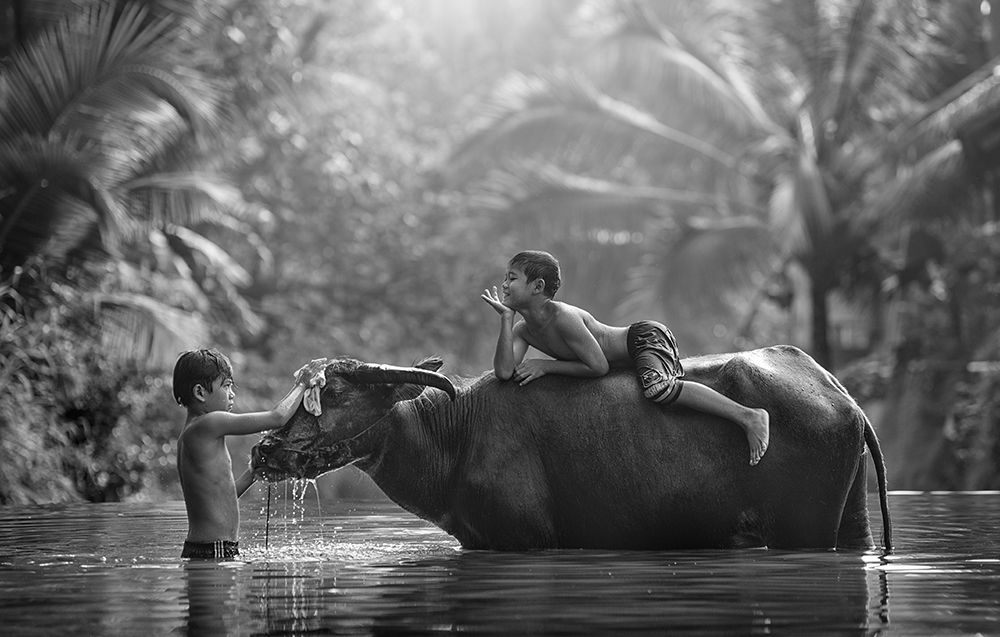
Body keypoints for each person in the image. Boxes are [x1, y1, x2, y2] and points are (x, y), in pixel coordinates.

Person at [481, 250, 770, 465]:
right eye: (506, 278)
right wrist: (506, 320)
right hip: (628, 358)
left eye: (512, 278)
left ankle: (749, 416)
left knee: (659, 388)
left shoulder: (563, 317)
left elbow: (598, 366)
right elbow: (505, 372)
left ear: (537, 287)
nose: (505, 285)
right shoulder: (522, 329)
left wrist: (546, 365)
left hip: (643, 339)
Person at [172, 349, 328, 559]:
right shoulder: (209, 423)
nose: (232, 393)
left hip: (209, 549)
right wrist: (302, 384)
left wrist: (253, 472)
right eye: (226, 386)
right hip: (214, 550)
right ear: (200, 392)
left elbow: (224, 496)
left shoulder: (194, 433)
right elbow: (277, 417)